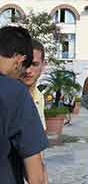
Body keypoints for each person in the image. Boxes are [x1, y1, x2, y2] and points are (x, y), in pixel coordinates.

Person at [0, 26, 48, 184]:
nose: (25, 72)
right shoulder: (15, 92)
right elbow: (35, 176)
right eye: (24, 67)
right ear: (19, 60)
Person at [20, 39, 48, 184]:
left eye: (34, 64)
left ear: (44, 65)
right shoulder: (8, 96)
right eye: (25, 64)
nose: (28, 70)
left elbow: (38, 152)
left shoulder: (38, 96)